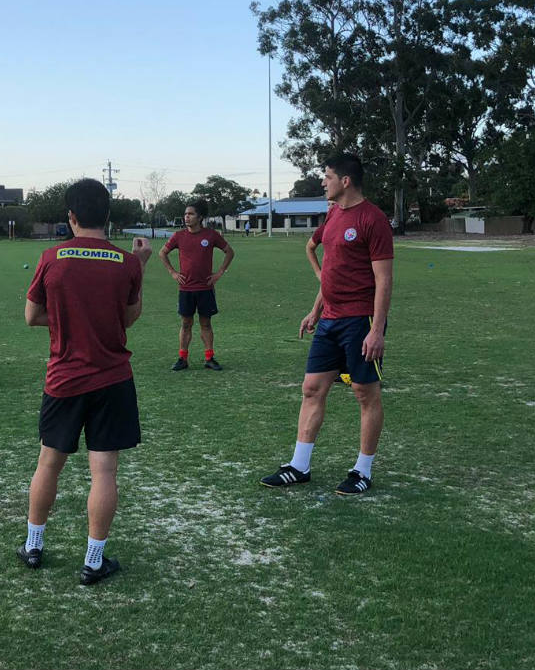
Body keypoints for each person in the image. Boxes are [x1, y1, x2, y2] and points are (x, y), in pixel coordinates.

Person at [18, 179, 152, 585]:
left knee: (49, 464)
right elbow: (128, 318)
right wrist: (142, 265)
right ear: (107, 217)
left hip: (64, 378)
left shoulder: (52, 257)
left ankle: (34, 546)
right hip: (112, 379)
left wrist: (66, 320)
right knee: (104, 472)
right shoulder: (125, 263)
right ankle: (93, 561)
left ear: (71, 216)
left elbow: (31, 316)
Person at [259, 153, 393, 495]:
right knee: (311, 388)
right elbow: (330, 268)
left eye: (327, 176)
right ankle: (299, 466)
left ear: (345, 181)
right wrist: (316, 309)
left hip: (360, 320)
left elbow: (384, 280)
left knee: (365, 393)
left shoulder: (373, 220)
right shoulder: (333, 215)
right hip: (329, 320)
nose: (323, 181)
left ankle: (362, 470)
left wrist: (376, 330)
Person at [160, 199, 235, 371]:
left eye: (191, 214)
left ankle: (209, 358)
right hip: (185, 289)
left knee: (206, 324)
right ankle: (182, 358)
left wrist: (219, 273)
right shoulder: (178, 236)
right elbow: (162, 253)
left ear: (200, 217)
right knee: (186, 324)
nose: (187, 217)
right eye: (185, 214)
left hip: (205, 288)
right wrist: (173, 272)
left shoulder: (211, 235)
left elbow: (229, 252)